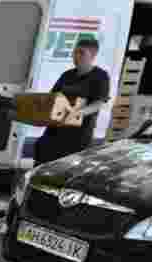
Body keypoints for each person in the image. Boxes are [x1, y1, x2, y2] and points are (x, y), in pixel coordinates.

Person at [33, 37, 111, 166]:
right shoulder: (66, 75)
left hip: (77, 139)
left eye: (81, 53)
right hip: (53, 134)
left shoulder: (100, 76)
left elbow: (98, 104)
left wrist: (77, 113)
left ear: (93, 55)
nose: (76, 56)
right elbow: (51, 99)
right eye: (75, 52)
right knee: (38, 168)